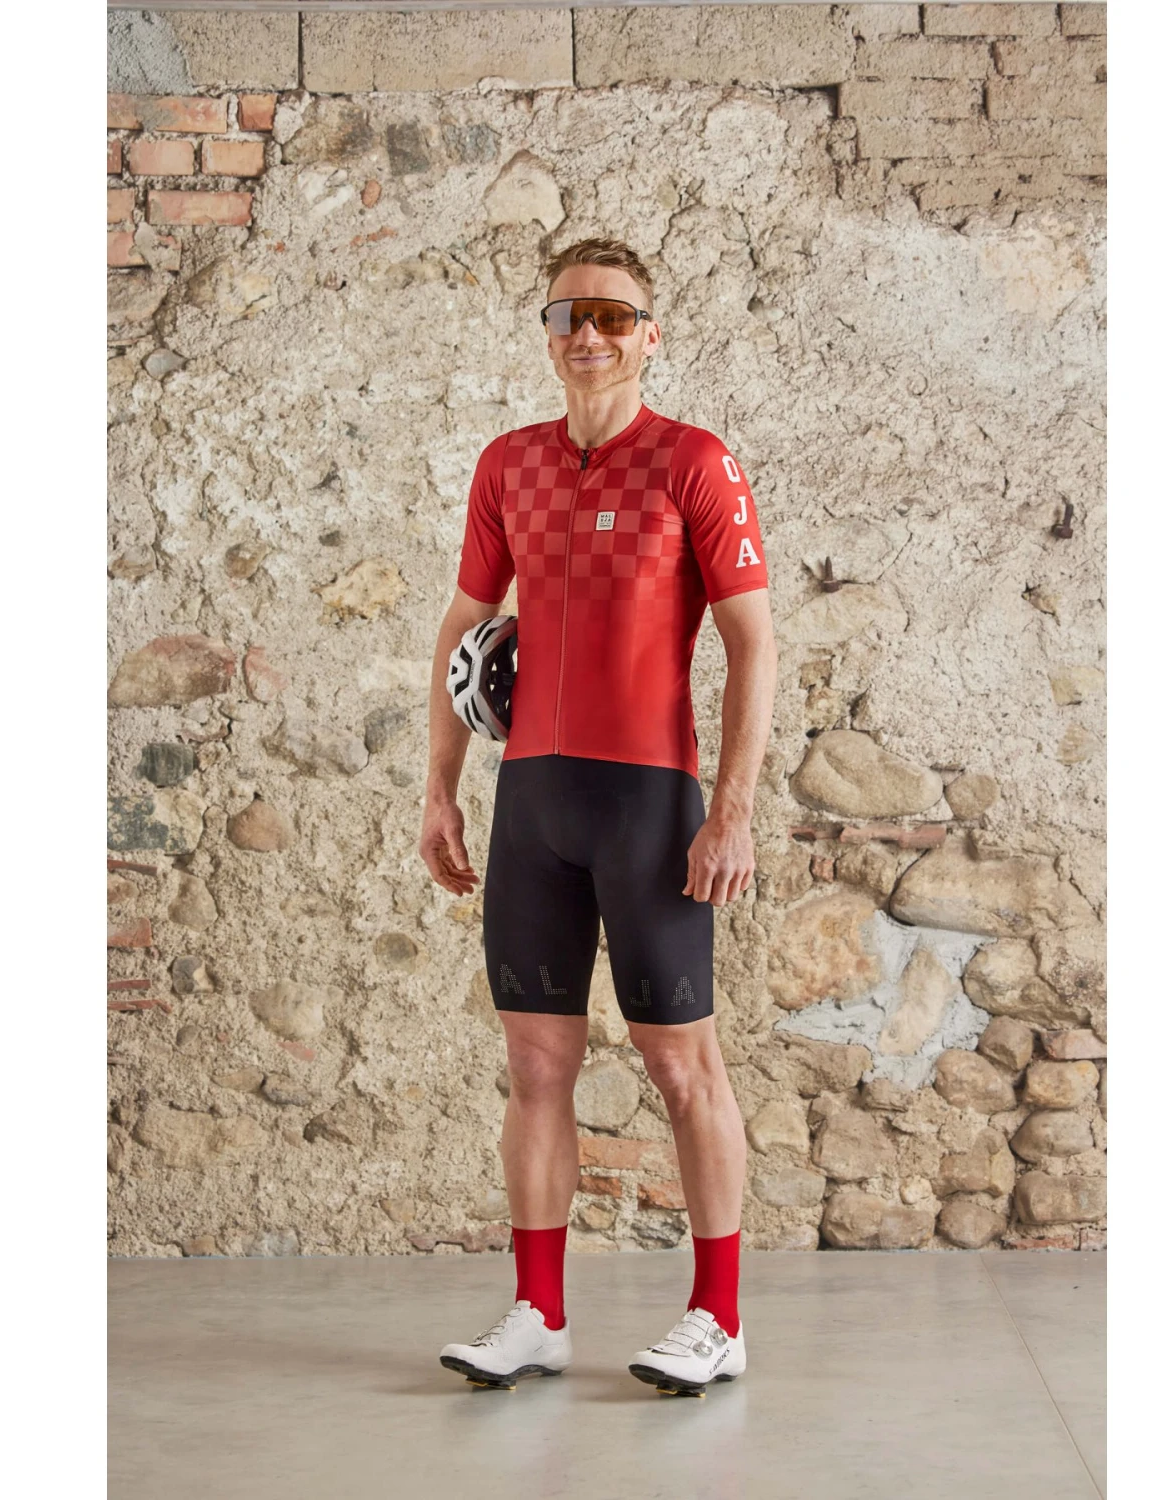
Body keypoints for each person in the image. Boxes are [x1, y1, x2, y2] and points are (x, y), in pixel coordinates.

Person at [420, 237, 776, 1396]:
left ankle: (718, 1320)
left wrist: (731, 811)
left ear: (649, 336)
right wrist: (440, 786)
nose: (589, 333)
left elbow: (753, 643)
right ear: (547, 331)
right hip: (534, 802)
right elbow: (464, 625)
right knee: (535, 1062)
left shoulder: (693, 462)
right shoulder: (509, 465)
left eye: (614, 316)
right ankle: (538, 1312)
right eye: (569, 314)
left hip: (650, 804)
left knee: (682, 1066)